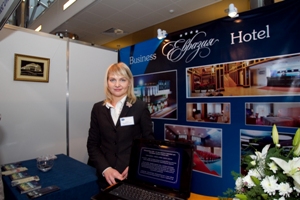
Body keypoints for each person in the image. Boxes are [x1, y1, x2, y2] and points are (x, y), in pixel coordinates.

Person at [87, 62, 154, 190]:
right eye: (112, 79)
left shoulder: (140, 107)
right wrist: (106, 169)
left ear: (129, 82)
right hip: (105, 177)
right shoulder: (97, 108)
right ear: (107, 82)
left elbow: (149, 143)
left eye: (122, 80)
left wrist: (136, 165)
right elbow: (92, 144)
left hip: (131, 176)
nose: (117, 84)